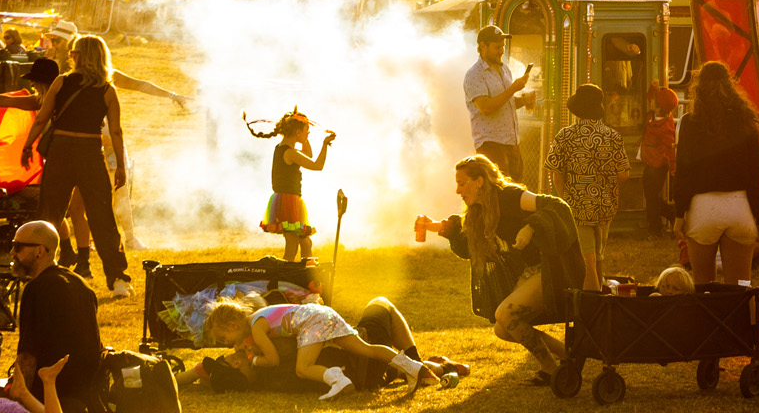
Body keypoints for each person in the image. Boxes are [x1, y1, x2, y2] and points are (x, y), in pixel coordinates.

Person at [421, 155, 582, 382]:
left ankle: (550, 369)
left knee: (506, 314)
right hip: (531, 270)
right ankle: (569, 353)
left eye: (462, 183)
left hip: (552, 268)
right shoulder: (480, 209)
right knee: (502, 328)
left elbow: (556, 205)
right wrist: (438, 227)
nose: (458, 191)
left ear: (479, 181)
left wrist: (531, 226)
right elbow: (469, 243)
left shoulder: (510, 196)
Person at [22, 34, 131, 296]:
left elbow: (42, 119)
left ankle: (38, 272)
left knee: (49, 214)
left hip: (60, 151)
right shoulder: (107, 90)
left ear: (82, 56)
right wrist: (121, 166)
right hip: (90, 154)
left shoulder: (61, 82)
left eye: (74, 52)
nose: (70, 56)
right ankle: (118, 279)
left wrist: (27, 145)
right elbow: (116, 132)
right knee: (102, 217)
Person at [205, 299, 432, 399]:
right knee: (368, 349)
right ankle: (413, 367)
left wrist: (253, 359)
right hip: (322, 314)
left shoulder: (257, 329)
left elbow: (273, 360)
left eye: (225, 338)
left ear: (233, 325)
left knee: (303, 369)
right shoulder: (258, 318)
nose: (229, 344)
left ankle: (338, 380)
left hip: (312, 323)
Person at [671, 61, 759, 286]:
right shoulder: (745, 121)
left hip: (702, 209)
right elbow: (757, 172)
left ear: (698, 88)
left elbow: (684, 171)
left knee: (703, 286)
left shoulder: (689, 123)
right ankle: (743, 310)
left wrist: (679, 214)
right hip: (740, 207)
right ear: (730, 85)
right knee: (741, 286)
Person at [543, 84, 628, 291]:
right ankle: (601, 300)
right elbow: (624, 174)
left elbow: (556, 174)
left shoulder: (565, 136)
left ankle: (591, 305)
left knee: (586, 262)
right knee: (598, 258)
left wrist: (566, 198)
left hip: (577, 207)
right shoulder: (612, 136)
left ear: (577, 110)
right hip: (605, 206)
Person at [10, 221, 103, 408]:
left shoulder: (37, 289)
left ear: (39, 251)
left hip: (49, 396)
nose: (12, 252)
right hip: (86, 397)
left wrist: (16, 402)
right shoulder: (81, 284)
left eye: (17, 246)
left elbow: (27, 357)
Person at [246, 109, 333, 262]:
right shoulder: (290, 153)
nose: (308, 133)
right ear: (297, 132)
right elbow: (317, 165)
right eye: (307, 131)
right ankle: (285, 275)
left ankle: (307, 273)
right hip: (288, 201)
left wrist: (302, 133)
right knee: (292, 245)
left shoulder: (284, 149)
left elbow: (308, 154)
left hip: (290, 199)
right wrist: (325, 144)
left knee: (305, 242)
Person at [463, 25, 532, 184]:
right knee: (498, 192)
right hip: (491, 144)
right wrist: (513, 88)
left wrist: (523, 101)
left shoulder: (505, 69)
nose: (501, 51)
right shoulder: (474, 74)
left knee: (516, 191)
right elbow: (486, 108)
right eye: (497, 47)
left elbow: (506, 103)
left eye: (503, 46)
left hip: (512, 143)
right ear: (482, 47)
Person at [639, 86, 678, 238]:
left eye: (654, 100)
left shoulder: (665, 126)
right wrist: (653, 87)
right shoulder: (655, 115)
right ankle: (668, 215)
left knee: (651, 197)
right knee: (651, 196)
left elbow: (669, 148)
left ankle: (655, 227)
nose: (651, 101)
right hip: (651, 163)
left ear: (659, 106)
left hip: (657, 166)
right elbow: (650, 96)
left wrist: (673, 166)